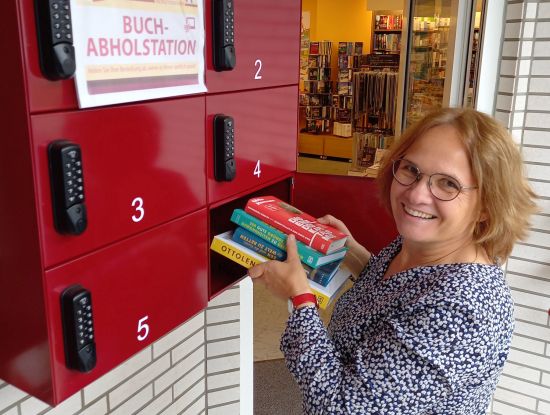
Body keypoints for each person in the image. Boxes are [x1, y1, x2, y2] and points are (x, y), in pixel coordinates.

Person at [248, 107, 538, 414]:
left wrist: (299, 299)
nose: (416, 195)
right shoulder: (422, 247)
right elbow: (395, 301)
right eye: (411, 170)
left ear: (487, 206)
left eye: (448, 184)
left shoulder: (463, 310)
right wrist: (352, 252)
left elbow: (340, 408)